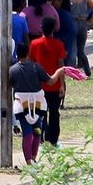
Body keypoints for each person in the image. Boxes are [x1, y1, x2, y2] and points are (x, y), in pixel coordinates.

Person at [28, 16, 67, 148]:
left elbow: (31, 63)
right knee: (54, 112)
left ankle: (41, 138)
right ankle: (53, 139)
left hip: (39, 85)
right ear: (54, 29)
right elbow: (61, 64)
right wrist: (62, 84)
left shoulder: (34, 44)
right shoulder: (59, 44)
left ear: (41, 28)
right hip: (55, 84)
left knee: (39, 114)